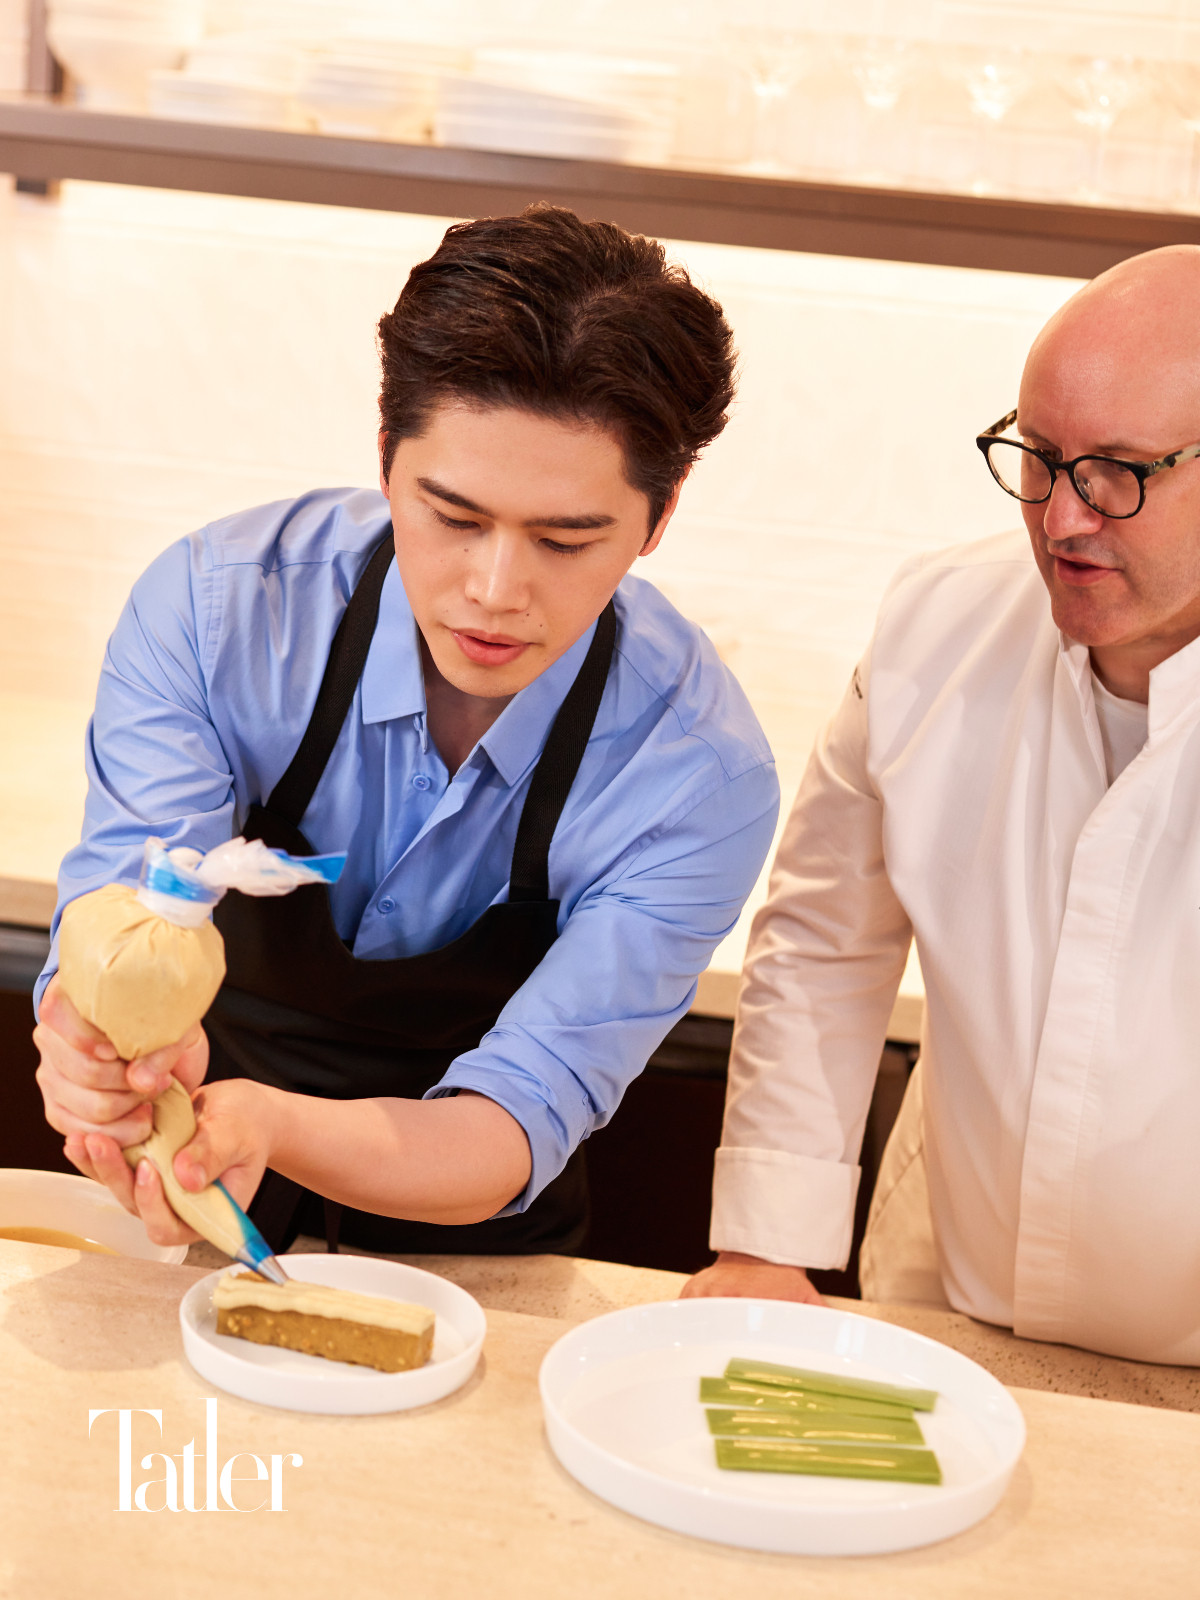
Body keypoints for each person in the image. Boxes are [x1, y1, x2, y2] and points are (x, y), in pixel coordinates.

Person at [33, 204, 779, 1258]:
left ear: (661, 514)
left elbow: (521, 1113)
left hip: (478, 1241)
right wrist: (96, 1043)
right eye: (454, 516)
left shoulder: (696, 773)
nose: (494, 591)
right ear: (387, 456)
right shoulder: (218, 614)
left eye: (567, 539)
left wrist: (273, 1124)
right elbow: (126, 908)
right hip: (186, 1204)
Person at [684, 244, 1200, 1366]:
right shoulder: (939, 624)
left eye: (1119, 472)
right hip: (948, 1293)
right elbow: (826, 939)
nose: (1062, 517)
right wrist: (768, 1244)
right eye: (1039, 456)